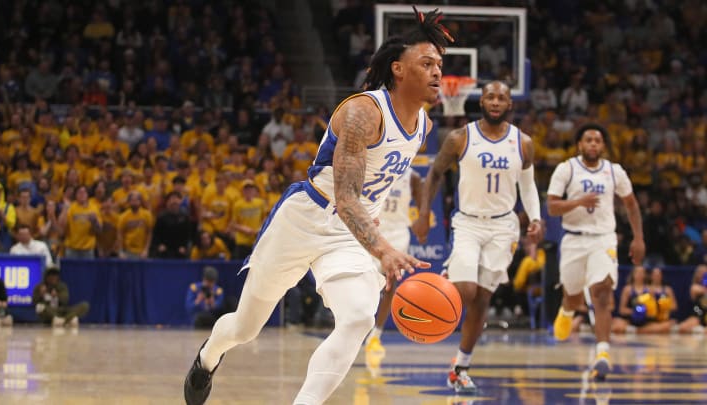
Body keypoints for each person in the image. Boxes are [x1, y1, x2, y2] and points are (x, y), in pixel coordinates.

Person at [184, 7, 451, 404]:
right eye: (426, 62)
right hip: (307, 217)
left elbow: (371, 190)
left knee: (359, 317)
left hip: (348, 234)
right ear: (398, 68)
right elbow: (345, 198)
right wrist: (382, 247)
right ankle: (208, 356)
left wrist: (375, 221)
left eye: (440, 65)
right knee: (246, 327)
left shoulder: (425, 125)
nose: (437, 72)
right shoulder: (364, 111)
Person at [413, 80, 543, 393]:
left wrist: (536, 217)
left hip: (503, 227)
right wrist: (423, 214)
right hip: (468, 224)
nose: (496, 102)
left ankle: (460, 367)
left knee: (483, 298)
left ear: (510, 104)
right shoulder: (460, 137)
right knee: (466, 291)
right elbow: (434, 174)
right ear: (481, 102)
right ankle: (451, 270)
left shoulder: (523, 143)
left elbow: (527, 186)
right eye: (490, 97)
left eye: (502, 97)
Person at [548, 124, 645, 380]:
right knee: (573, 295)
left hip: (603, 239)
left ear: (603, 145)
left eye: (598, 140)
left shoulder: (615, 172)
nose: (593, 144)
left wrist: (638, 238)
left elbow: (631, 205)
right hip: (573, 239)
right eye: (588, 139)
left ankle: (603, 354)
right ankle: (567, 309)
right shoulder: (567, 169)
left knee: (602, 292)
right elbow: (552, 207)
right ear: (580, 144)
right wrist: (579, 202)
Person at [364, 166, 422, 355]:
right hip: (376, 228)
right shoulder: (375, 168)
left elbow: (422, 208)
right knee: (367, 279)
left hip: (398, 232)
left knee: (391, 282)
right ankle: (362, 323)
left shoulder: (413, 177)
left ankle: (376, 334)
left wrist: (423, 225)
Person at [611, 265, 673, 334]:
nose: (640, 275)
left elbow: (655, 309)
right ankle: (636, 329)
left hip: (646, 322)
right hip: (631, 320)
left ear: (645, 275)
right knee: (616, 324)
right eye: (638, 272)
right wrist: (635, 312)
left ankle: (636, 330)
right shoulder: (627, 289)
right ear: (633, 274)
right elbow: (622, 310)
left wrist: (647, 312)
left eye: (642, 273)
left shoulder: (650, 289)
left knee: (666, 326)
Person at [677, 264, 707, 334]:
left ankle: (701, 330)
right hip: (698, 315)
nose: (702, 275)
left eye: (704, 272)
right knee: (682, 328)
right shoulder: (694, 287)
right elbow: (699, 290)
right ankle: (699, 330)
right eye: (700, 272)